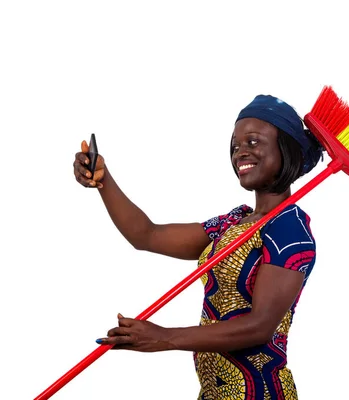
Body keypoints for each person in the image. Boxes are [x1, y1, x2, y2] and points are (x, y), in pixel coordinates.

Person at [73, 94, 324, 400]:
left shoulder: (289, 228)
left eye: (254, 142)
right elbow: (146, 235)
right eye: (235, 145)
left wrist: (164, 337)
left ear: (286, 150)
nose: (240, 152)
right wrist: (103, 180)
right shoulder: (233, 222)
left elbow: (259, 327)